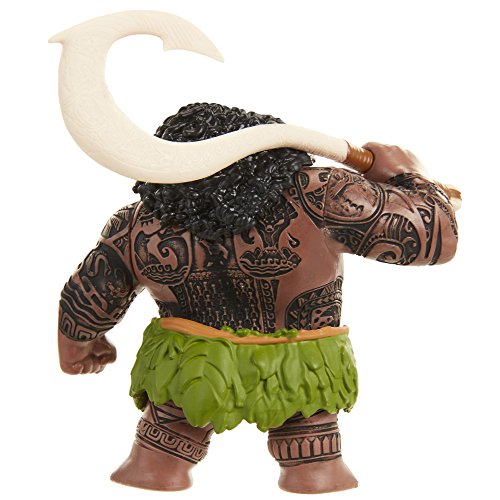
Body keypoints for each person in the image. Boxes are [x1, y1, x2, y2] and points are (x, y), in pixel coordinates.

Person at [57, 103, 458, 493]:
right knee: (313, 455)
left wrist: (78, 345)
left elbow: (92, 288)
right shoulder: (319, 195)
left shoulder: (139, 222)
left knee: (161, 447)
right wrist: (406, 175)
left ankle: (154, 470)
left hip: (190, 366)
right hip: (302, 368)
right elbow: (435, 237)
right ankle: (315, 475)